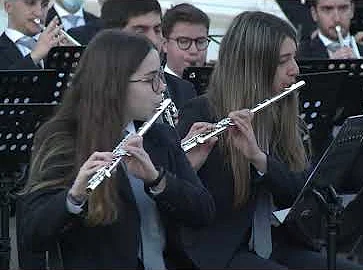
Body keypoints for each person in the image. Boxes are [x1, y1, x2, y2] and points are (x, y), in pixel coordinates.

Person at [177, 11, 363, 269]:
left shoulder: (284, 113)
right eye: (283, 61)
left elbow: (299, 191)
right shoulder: (200, 113)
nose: (295, 70)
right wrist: (189, 164)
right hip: (224, 248)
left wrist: (259, 158)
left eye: (294, 58)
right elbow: (188, 201)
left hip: (280, 243)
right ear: (253, 65)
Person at [17, 30, 215, 269]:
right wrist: (74, 197)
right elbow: (32, 235)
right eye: (151, 78)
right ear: (115, 84)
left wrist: (158, 180)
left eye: (161, 75)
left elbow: (204, 212)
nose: (162, 87)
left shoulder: (160, 135)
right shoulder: (62, 139)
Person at [0, 0, 72, 69]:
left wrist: (70, 61)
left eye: (44, 4)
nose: (39, 13)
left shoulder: (55, 46)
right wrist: (35, 56)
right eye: (31, 3)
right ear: (8, 7)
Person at [161, 3, 210, 78]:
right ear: (164, 44)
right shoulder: (153, 86)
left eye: (200, 42)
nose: (194, 51)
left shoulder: (217, 85)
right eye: (184, 42)